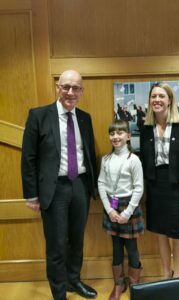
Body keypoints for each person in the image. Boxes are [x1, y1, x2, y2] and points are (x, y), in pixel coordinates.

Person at [21, 70, 98, 300]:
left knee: (77, 240)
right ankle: (59, 293)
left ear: (82, 91)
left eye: (76, 88)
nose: (70, 92)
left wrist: (91, 188)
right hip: (53, 190)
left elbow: (89, 154)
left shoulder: (85, 117)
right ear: (57, 87)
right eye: (66, 87)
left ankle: (73, 280)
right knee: (56, 245)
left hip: (80, 186)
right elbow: (28, 158)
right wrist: (31, 195)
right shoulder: (38, 115)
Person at [140, 82, 179, 279]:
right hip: (155, 186)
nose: (157, 100)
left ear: (170, 100)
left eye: (161, 96)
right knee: (160, 233)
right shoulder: (146, 127)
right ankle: (166, 274)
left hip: (178, 187)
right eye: (153, 96)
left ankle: (178, 277)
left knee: (177, 234)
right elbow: (144, 160)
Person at [98, 119, 144, 300]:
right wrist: (109, 209)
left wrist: (127, 213)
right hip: (112, 207)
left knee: (132, 248)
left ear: (128, 136)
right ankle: (119, 284)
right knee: (116, 247)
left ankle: (134, 284)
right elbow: (101, 183)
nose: (115, 137)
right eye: (112, 133)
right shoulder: (106, 159)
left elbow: (139, 188)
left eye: (120, 133)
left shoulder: (134, 160)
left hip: (128, 209)